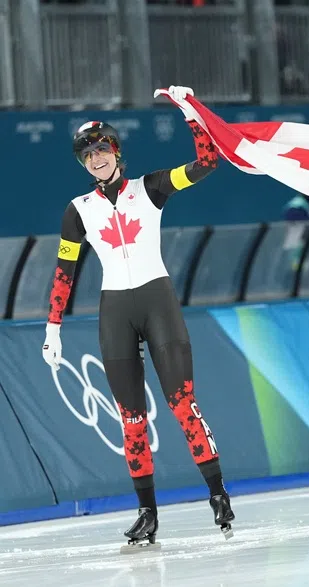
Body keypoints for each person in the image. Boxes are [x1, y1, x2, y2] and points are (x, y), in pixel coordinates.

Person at [41, 86, 236, 552]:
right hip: (116, 311)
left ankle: (217, 493)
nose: (96, 160)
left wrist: (190, 113)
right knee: (130, 419)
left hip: (157, 301)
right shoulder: (78, 211)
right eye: (87, 155)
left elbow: (208, 163)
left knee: (182, 405)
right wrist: (53, 326)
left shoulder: (151, 188)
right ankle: (147, 512)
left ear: (117, 152)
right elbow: (64, 270)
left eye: (102, 150)